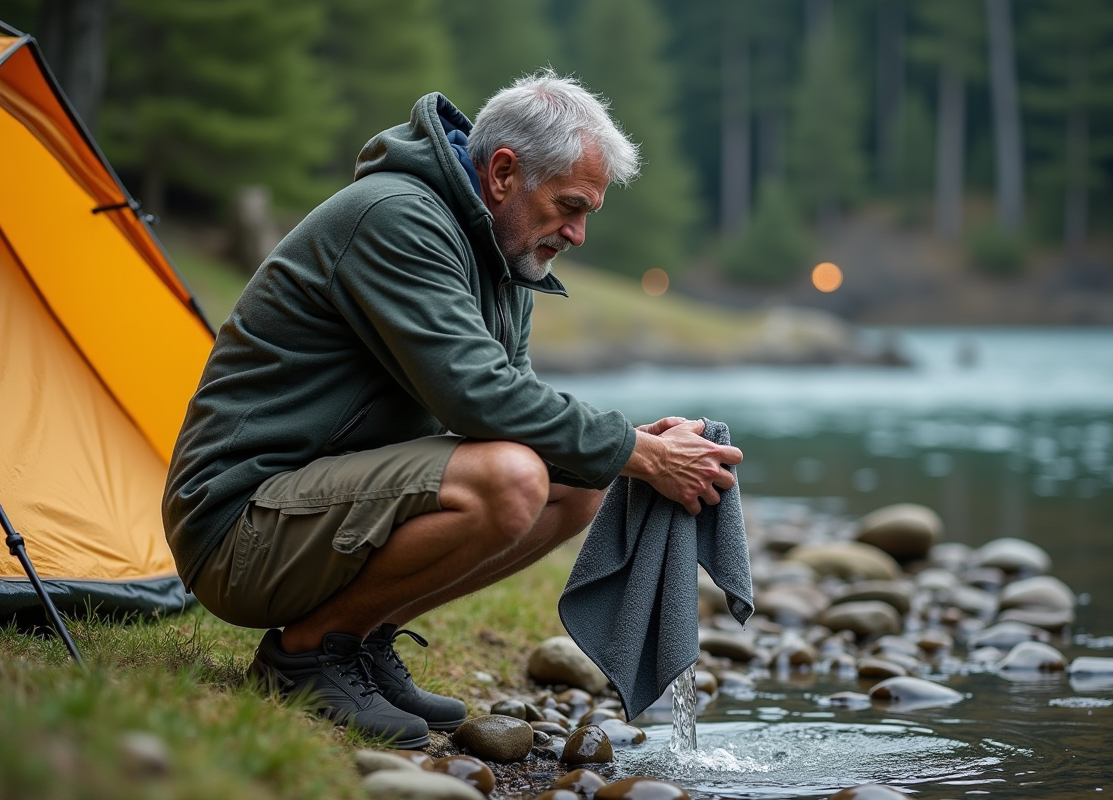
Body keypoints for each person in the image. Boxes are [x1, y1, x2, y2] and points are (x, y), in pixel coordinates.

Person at [162, 71, 742, 748]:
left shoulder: (505, 254)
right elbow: (477, 397)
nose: (579, 234)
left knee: (581, 482)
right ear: (502, 173)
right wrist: (641, 454)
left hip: (310, 510)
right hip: (238, 527)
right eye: (571, 206)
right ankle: (306, 656)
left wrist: (629, 448)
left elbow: (512, 404)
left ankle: (362, 645)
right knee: (513, 478)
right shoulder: (396, 217)